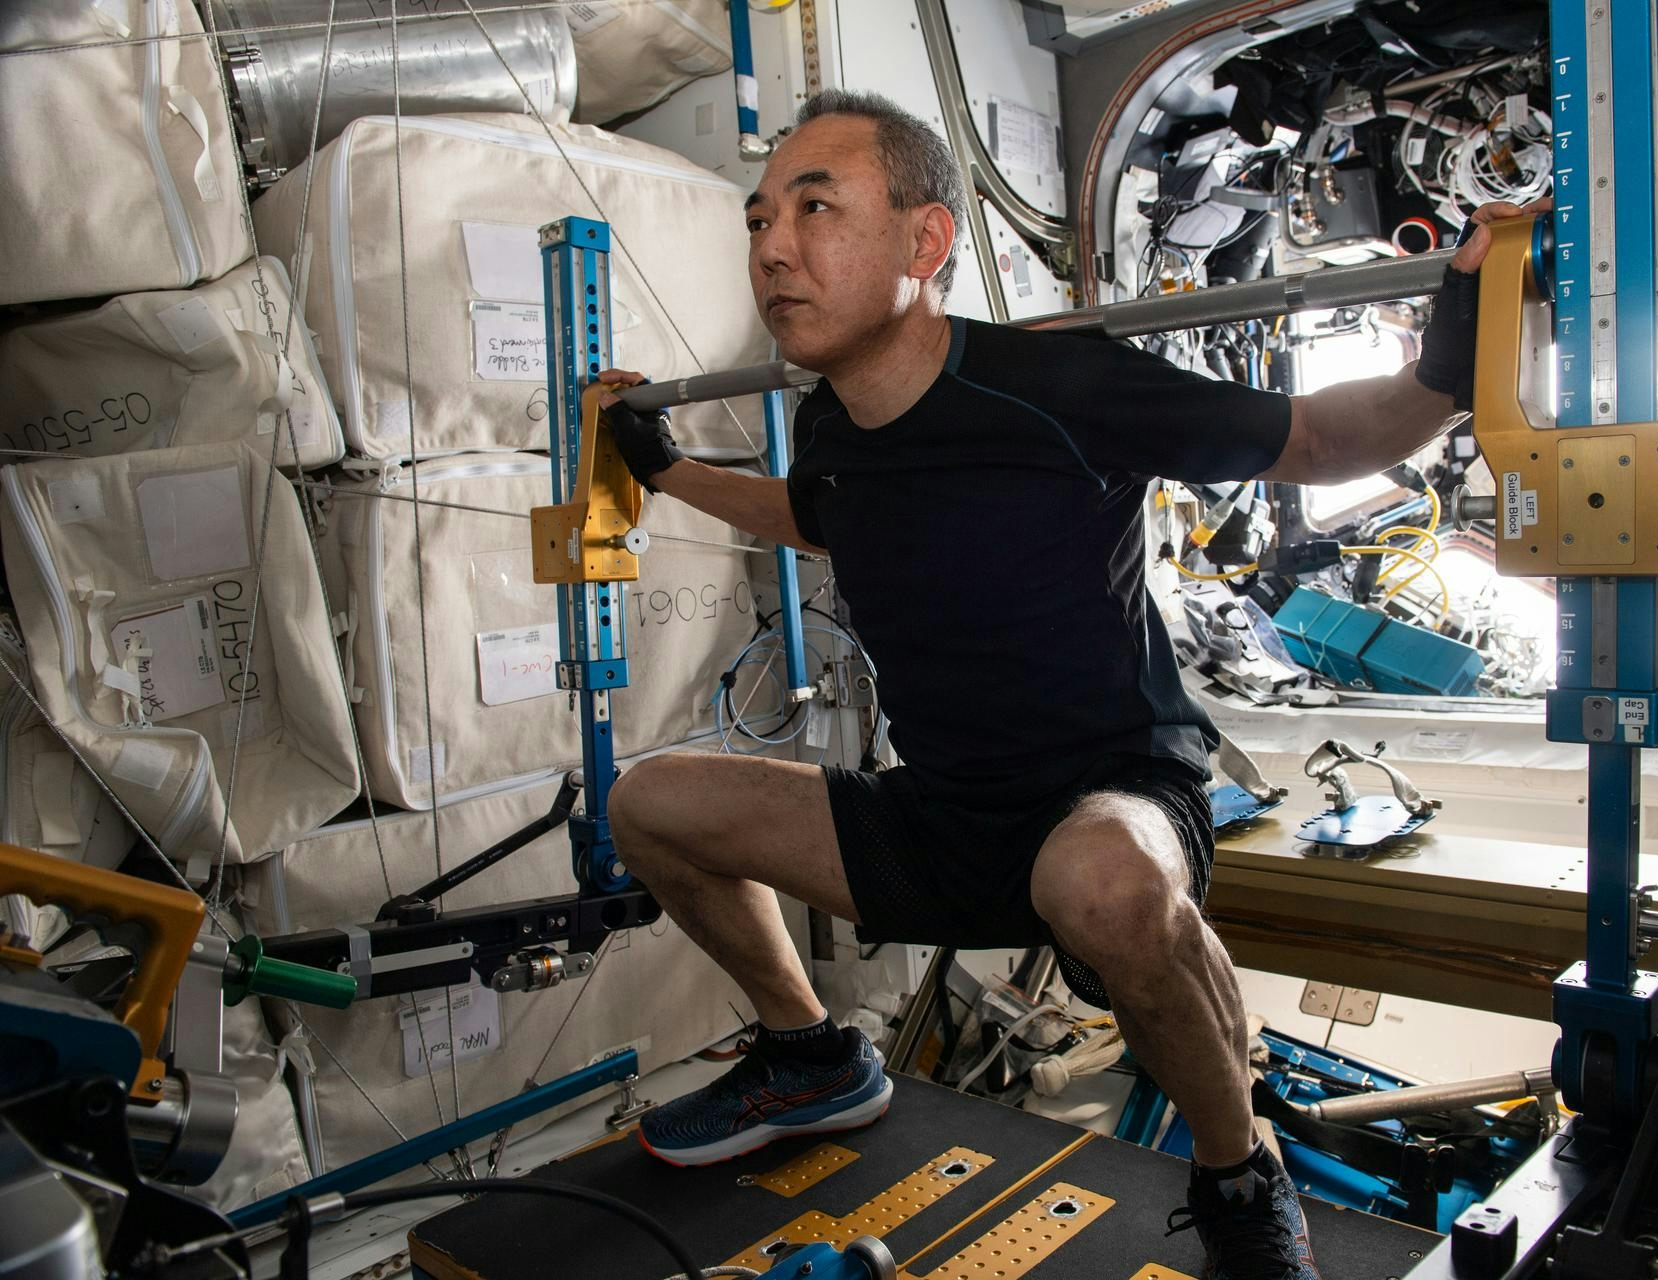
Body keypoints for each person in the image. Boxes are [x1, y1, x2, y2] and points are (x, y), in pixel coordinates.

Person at [598, 87, 1541, 1280]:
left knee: (1091, 876)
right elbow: (821, 519)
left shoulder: (1058, 383)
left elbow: (1310, 441)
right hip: (945, 815)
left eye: (816, 207)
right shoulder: (833, 427)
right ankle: (812, 1056)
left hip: (1117, 798)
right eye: (759, 218)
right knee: (651, 802)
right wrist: (669, 471)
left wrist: (1445, 372)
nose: (773, 246)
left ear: (926, 241)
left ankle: (1241, 1171)